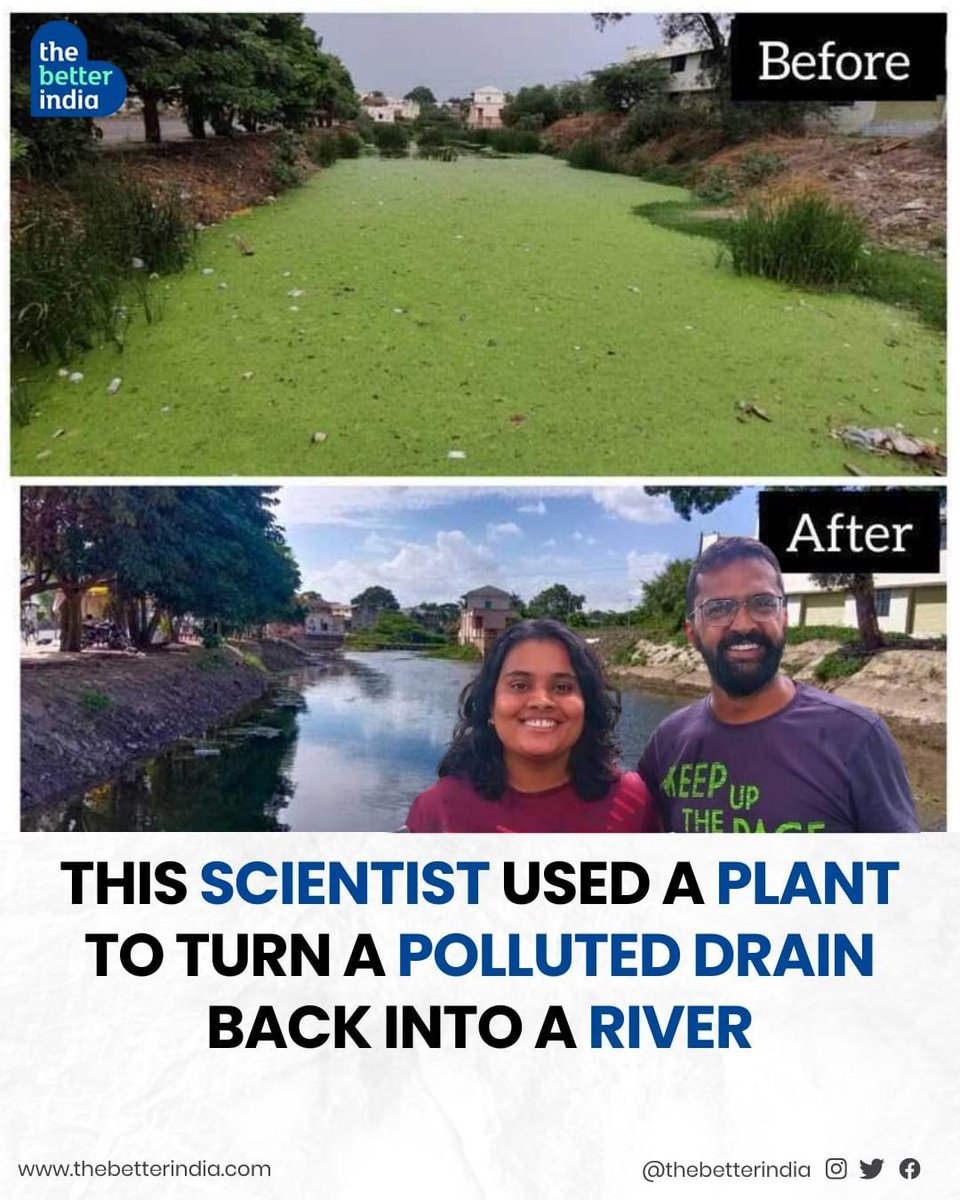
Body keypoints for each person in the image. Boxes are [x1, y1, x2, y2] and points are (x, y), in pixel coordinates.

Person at [638, 536, 918, 833]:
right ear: (692, 633)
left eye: (762, 603)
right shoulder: (667, 743)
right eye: (718, 609)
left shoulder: (857, 737)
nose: (743, 624)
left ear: (783, 618)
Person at [405, 618, 660, 833]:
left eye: (563, 687)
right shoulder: (439, 810)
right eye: (519, 685)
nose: (542, 701)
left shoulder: (633, 800)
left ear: (587, 706)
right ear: (490, 706)